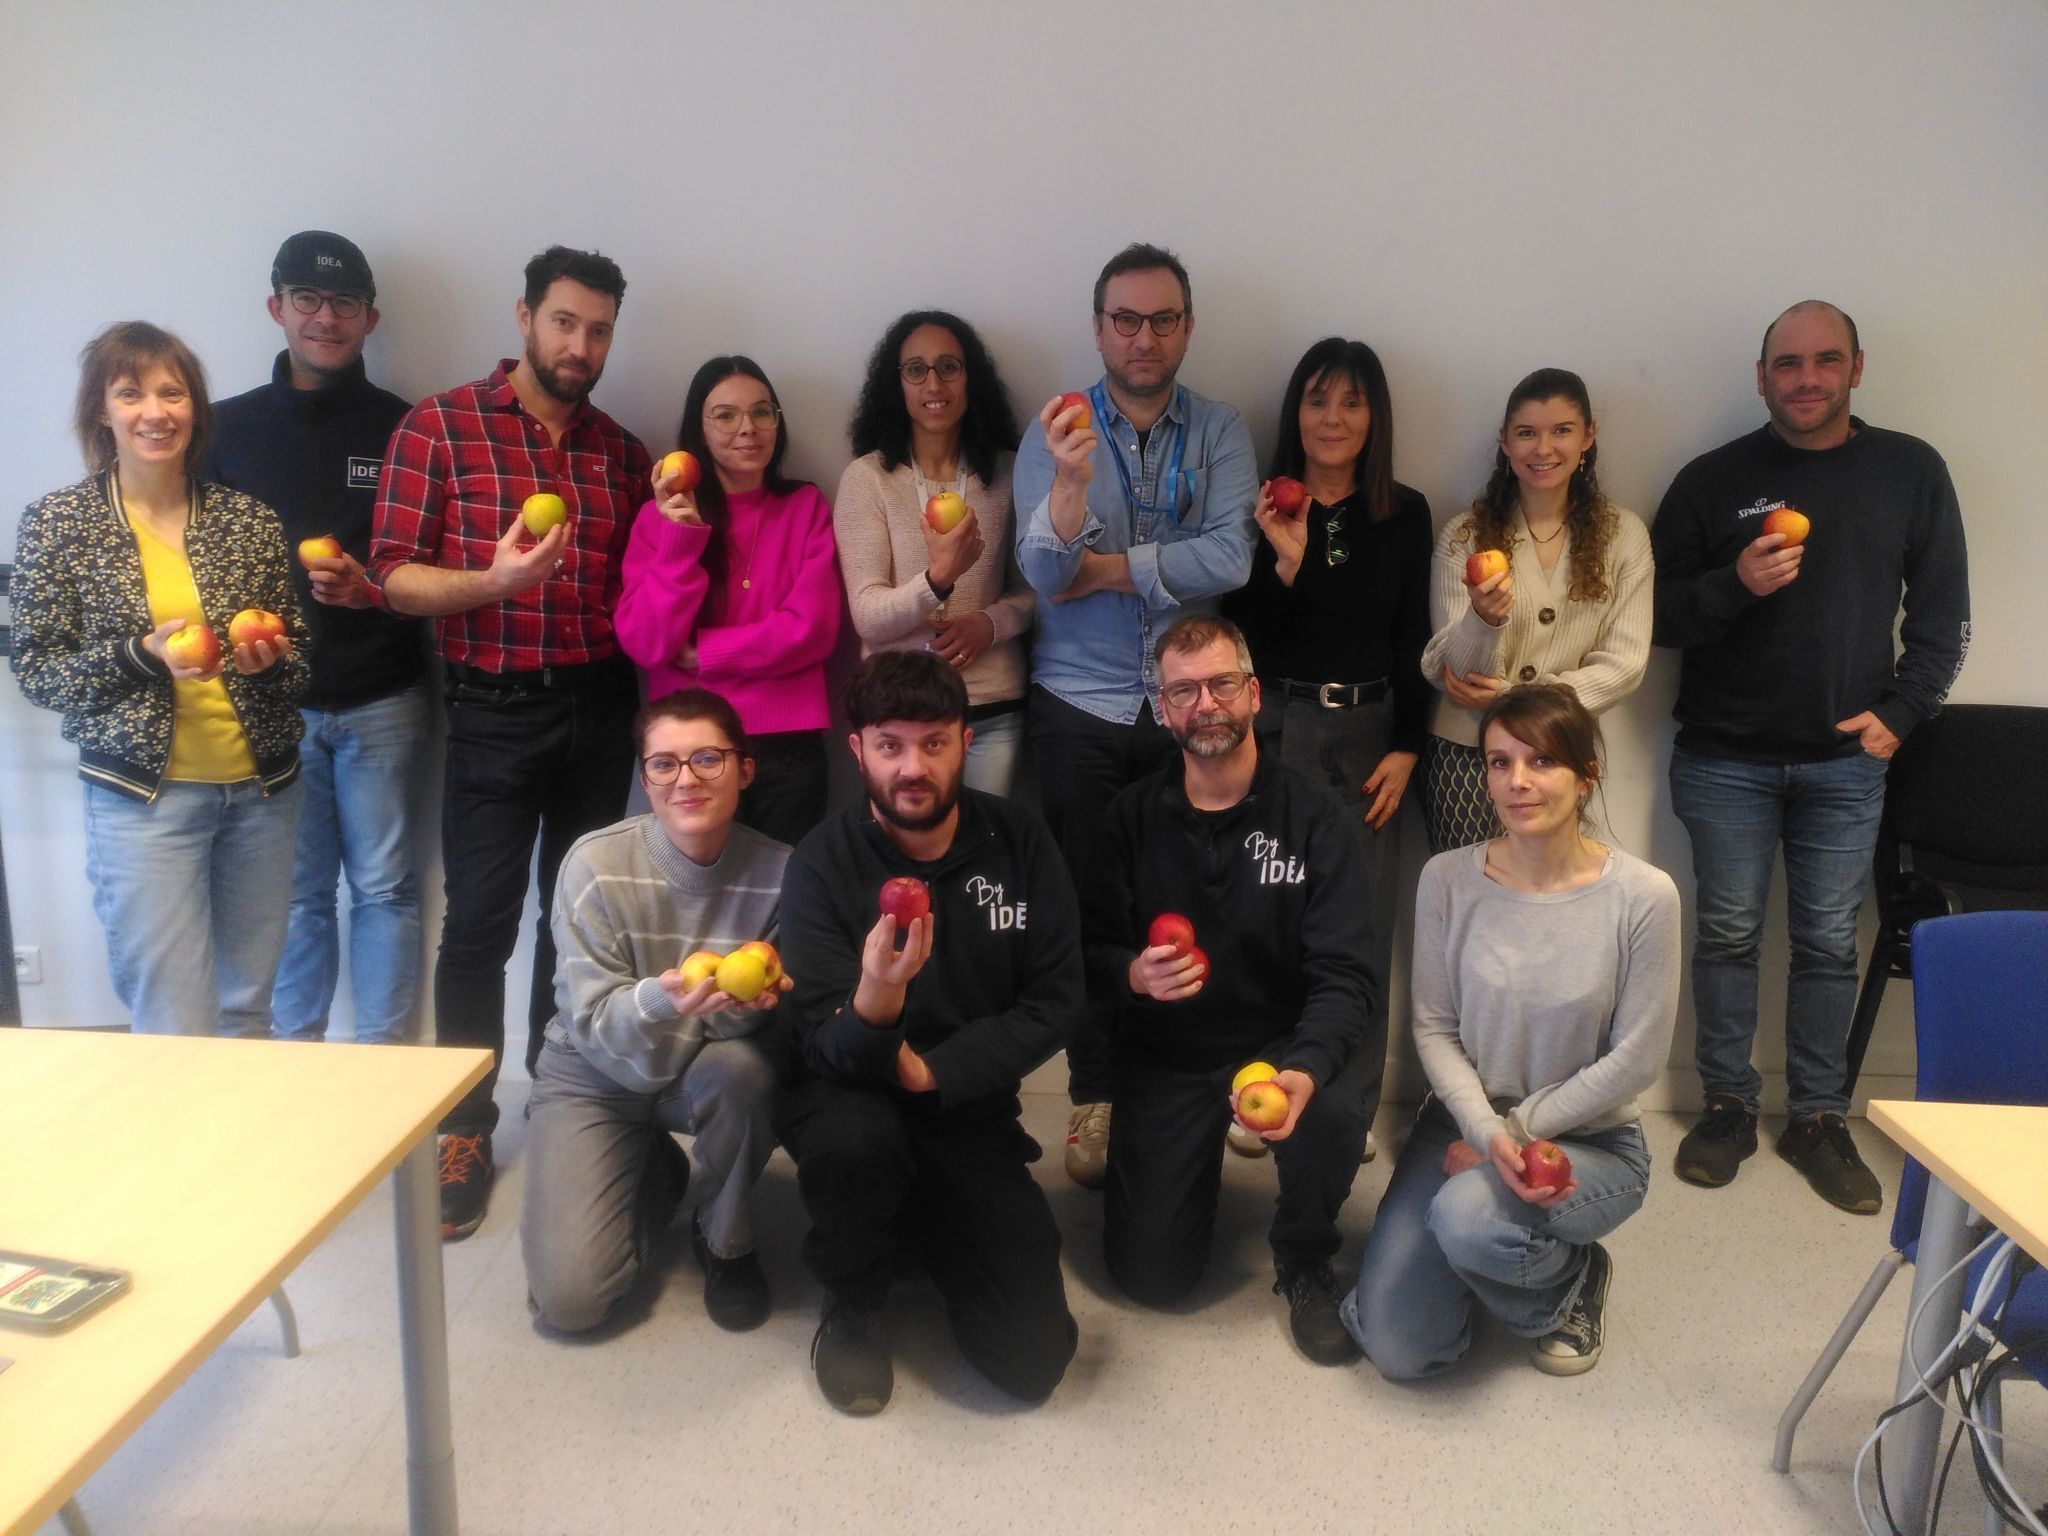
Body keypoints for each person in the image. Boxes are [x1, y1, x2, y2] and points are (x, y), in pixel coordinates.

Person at [1654, 300, 1970, 1214]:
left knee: (1830, 945)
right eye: (1787, 364)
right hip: (1723, 757)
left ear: (1855, 369)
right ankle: (1726, 1106)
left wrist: (1900, 715)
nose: (1806, 379)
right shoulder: (1712, 479)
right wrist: (1735, 584)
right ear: (1761, 378)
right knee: (1726, 935)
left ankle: (1819, 1118)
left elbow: (1944, 615)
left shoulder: (1910, 469)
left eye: (1826, 360)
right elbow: (1655, 616)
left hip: (1846, 763)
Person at [369, 246, 650, 1239]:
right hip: (490, 710)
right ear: (525, 317)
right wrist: (492, 584)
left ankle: (560, 1097)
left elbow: (642, 591)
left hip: (598, 710)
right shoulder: (440, 427)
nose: (581, 346)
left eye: (599, 330)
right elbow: (393, 576)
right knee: (480, 926)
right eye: (564, 322)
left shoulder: (622, 454)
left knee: (575, 922)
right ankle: (463, 1127)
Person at [774, 651, 1081, 1415]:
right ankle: (853, 1299)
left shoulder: (1021, 841)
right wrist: (877, 996)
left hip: (965, 1105)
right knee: (858, 1143)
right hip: (847, 1100)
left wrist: (934, 1072)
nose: (913, 767)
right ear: (858, 750)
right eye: (890, 745)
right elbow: (821, 1045)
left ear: (965, 742)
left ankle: (921, 1223)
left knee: (1033, 1361)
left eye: (933, 743)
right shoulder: (820, 863)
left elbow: (1056, 1002)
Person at [1344, 683, 1680, 1379]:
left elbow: (1637, 1059)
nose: (1517, 781)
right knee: (1401, 1350)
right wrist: (1485, 1132)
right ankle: (1485, 1255)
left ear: (1587, 776)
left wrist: (1516, 1132)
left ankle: (1568, 1284)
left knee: (1468, 1219)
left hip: (1589, 1140)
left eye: (1542, 761)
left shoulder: (1644, 896)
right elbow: (1434, 1028)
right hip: (1463, 1125)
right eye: (1500, 762)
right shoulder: (1447, 879)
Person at [1012, 241, 1259, 1187]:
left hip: (1189, 706)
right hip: (1077, 703)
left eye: (1162, 319)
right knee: (1089, 907)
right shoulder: (1054, 431)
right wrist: (1071, 487)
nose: (1143, 337)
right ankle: (1097, 1093)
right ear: (1098, 327)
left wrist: (1107, 568)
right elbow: (1044, 575)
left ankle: (1202, 1080)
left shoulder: (1223, 431)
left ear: (1187, 328)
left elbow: (1231, 558)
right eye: (1126, 319)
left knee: (1200, 897)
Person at [1083, 615, 1380, 1365]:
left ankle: (1305, 1257)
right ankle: (1175, 1171)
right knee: (1151, 1277)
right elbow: (1083, 956)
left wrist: (1306, 1067)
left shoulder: (1317, 817)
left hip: (1281, 1043)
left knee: (1332, 1106)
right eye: (1184, 692)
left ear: (1253, 694)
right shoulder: (1127, 819)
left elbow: (1347, 972)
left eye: (1221, 684)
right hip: (1171, 1053)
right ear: (1164, 710)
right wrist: (1131, 973)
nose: (1205, 705)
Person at [12, 321, 309, 1036]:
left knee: (247, 1011)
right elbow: (39, 670)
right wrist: (141, 655)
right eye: (131, 394)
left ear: (195, 409)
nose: (155, 412)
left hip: (262, 798)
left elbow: (299, 662)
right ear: (101, 411)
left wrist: (270, 664)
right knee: (174, 1023)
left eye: (173, 393)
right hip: (143, 806)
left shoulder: (248, 521)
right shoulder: (59, 523)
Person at [203, 231, 427, 1046]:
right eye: (307, 299)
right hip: (274, 703)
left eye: (344, 303)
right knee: (297, 899)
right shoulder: (223, 430)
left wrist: (373, 588)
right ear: (277, 308)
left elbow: (435, 562)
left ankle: (386, 1070)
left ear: (371, 318)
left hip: (383, 695)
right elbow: (199, 565)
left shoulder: (406, 427)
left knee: (385, 889)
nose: (325, 318)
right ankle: (298, 1063)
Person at [522, 688, 790, 1335]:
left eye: (708, 758)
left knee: (746, 1072)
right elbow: (588, 1016)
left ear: (745, 770)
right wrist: (659, 998)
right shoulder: (593, 863)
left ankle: (723, 1238)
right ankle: (657, 1171)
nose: (686, 779)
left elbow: (749, 1031)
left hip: (699, 1065)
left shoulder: (782, 873)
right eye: (664, 764)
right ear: (644, 779)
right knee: (571, 1302)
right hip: (591, 1071)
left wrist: (744, 1006)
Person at [1224, 336, 1432, 1161]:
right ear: (1295, 412)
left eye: (1351, 401)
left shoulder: (1402, 512)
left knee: (1358, 925)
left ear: (1375, 416)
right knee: (1264, 911)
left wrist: (1409, 746)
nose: (1333, 418)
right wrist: (1286, 563)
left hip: (1366, 734)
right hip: (1275, 723)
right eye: (1317, 400)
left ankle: (1345, 1107)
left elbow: (1411, 636)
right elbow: (1244, 638)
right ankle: (1259, 1087)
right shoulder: (1260, 505)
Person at [1419, 368, 1652, 853]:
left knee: (1549, 888)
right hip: (1468, 754)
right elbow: (1456, 675)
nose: (1543, 449)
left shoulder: (1623, 536)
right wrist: (1482, 620)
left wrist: (1515, 697)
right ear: (1504, 441)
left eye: (1561, 430)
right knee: (1472, 885)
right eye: (1526, 433)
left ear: (1588, 435)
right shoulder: (1465, 535)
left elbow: (1624, 665)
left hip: (1559, 751)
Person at [616, 356, 840, 848]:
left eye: (762, 412)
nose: (748, 428)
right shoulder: (658, 519)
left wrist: (707, 654)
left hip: (788, 747)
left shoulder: (805, 506)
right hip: (690, 748)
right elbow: (648, 643)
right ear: (698, 428)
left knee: (785, 891)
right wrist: (680, 542)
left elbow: (813, 629)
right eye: (725, 415)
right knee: (695, 892)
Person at [835, 309, 1034, 797]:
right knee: (906, 845)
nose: (933, 384)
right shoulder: (867, 480)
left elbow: (1035, 589)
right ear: (896, 384)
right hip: (896, 711)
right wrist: (936, 581)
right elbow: (868, 616)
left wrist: (989, 624)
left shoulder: (1012, 473)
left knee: (984, 838)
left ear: (971, 378)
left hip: (992, 705)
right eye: (915, 370)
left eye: (949, 367)